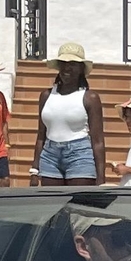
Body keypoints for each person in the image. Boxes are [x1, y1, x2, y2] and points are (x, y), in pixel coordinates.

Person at [35, 43, 106, 185]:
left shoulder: (89, 98)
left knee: (78, 204)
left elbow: (98, 141)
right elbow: (41, 135)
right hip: (50, 156)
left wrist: (101, 178)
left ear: (81, 68)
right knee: (52, 203)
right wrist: (34, 169)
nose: (67, 68)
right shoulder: (46, 96)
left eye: (72, 64)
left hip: (79, 154)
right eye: (63, 64)